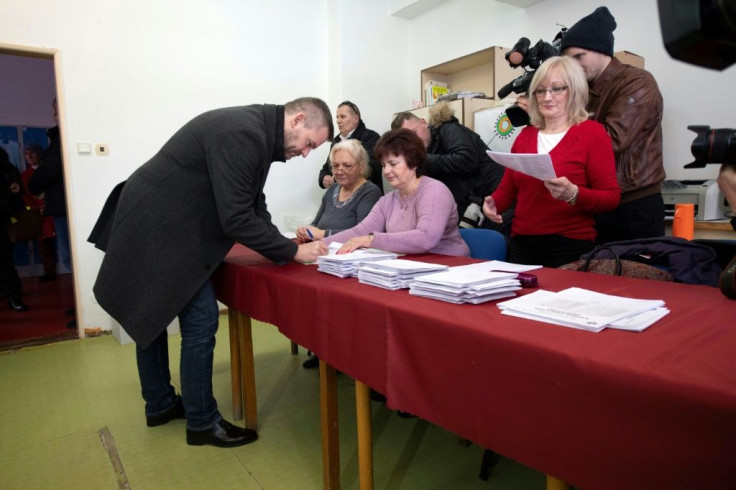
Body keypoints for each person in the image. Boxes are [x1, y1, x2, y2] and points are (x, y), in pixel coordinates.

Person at [88, 97, 333, 448]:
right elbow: (235, 217)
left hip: (161, 222)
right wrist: (292, 251)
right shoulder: (245, 133)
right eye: (310, 143)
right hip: (156, 225)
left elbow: (252, 201)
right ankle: (202, 422)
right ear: (296, 120)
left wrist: (281, 243)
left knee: (152, 314)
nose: (308, 153)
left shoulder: (257, 133)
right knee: (199, 317)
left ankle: (159, 405)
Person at [482, 56, 620, 267]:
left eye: (557, 89)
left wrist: (574, 194)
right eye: (540, 90)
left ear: (574, 91)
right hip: (522, 244)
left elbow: (611, 197)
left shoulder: (592, 133)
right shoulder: (525, 136)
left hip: (569, 246)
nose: (547, 97)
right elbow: (509, 186)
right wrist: (494, 203)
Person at [559, 6, 666, 243]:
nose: (574, 66)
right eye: (569, 61)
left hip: (635, 205)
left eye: (579, 56)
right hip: (597, 203)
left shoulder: (637, 82)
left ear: (602, 51)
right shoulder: (585, 90)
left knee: (635, 278)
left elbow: (610, 140)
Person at [323, 128, 469, 257]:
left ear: (414, 162)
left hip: (451, 270)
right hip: (411, 269)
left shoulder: (435, 191)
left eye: (393, 164)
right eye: (383, 165)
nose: (386, 171)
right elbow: (359, 232)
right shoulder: (388, 199)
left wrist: (372, 239)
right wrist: (320, 245)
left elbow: (426, 238)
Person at [391, 102, 507, 232]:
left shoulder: (448, 129)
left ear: (423, 122)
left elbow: (467, 160)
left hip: (496, 201)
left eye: (414, 133)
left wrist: (424, 158)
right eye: (407, 141)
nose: (414, 140)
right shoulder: (427, 153)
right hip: (475, 211)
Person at [297, 139, 381, 241]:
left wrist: (321, 234)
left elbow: (362, 233)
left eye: (347, 166)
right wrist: (306, 231)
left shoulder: (370, 192)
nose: (340, 171)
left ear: (361, 167)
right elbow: (315, 224)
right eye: (335, 166)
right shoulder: (332, 189)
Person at [28, 98, 71, 273]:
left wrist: (35, 186)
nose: (29, 157)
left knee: (70, 258)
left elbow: (51, 169)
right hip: (60, 207)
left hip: (63, 208)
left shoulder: (63, 138)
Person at [317, 101, 382, 192]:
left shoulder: (371, 137)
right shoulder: (336, 141)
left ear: (355, 119)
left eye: (342, 117)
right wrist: (323, 178)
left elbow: (371, 169)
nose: (338, 121)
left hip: (366, 194)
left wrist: (336, 178)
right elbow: (328, 166)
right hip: (341, 196)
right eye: (337, 117)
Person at [21, 144, 56, 281]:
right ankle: (49, 272)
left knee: (63, 242)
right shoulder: (24, 175)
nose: (29, 157)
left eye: (32, 153)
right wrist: (36, 209)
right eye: (26, 154)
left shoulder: (49, 170)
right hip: (39, 214)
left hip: (54, 210)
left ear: (39, 154)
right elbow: (25, 196)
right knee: (43, 245)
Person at [1, 148, 28, 311]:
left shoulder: (4, 164)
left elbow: (16, 185)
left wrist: (14, 186)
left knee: (4, 260)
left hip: (2, 217)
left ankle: (13, 295)